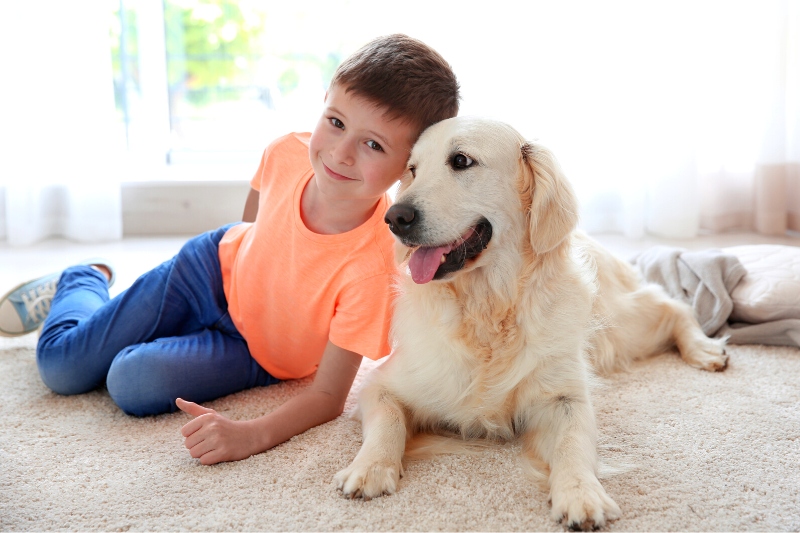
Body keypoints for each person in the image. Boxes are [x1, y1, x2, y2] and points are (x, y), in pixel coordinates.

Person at [0, 34, 460, 465]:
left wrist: (250, 434)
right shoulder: (285, 153)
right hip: (203, 273)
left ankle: (125, 324)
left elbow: (328, 397)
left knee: (130, 383)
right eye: (336, 122)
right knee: (60, 368)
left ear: (410, 166)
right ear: (323, 104)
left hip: (256, 354)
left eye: (373, 145)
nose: (340, 153)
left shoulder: (373, 267)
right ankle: (84, 278)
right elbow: (250, 227)